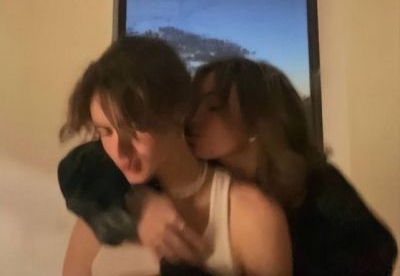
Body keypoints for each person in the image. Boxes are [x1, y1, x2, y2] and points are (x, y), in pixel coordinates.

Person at [59, 36, 292, 276]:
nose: (120, 151)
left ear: (179, 111)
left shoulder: (252, 216)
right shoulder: (103, 196)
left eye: (135, 127)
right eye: (105, 132)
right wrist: (137, 205)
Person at [187, 57, 398, 275]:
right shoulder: (200, 183)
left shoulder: (319, 186)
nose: (194, 119)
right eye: (194, 105)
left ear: (256, 120)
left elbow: (379, 252)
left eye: (213, 107)